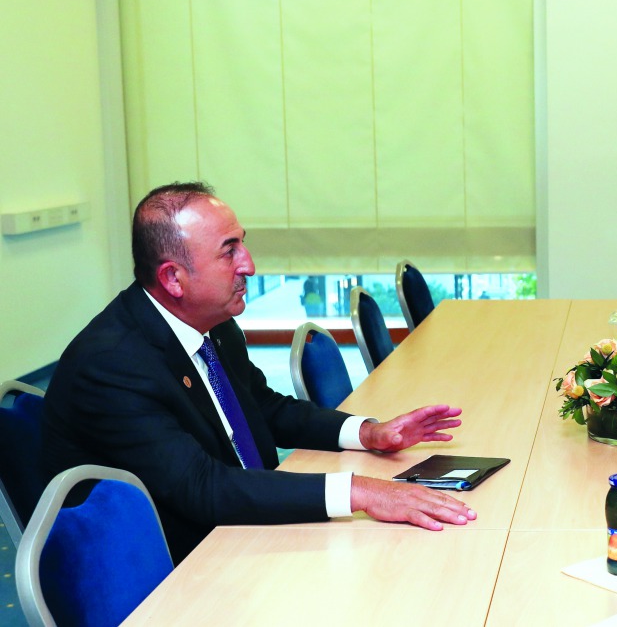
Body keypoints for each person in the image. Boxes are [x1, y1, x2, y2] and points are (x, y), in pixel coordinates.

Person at [43, 182, 476, 563]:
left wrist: (368, 434)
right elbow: (201, 487)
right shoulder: (112, 366)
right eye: (228, 251)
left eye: (242, 244)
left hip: (242, 525)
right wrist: (359, 491)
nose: (248, 264)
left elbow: (264, 408)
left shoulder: (215, 325)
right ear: (173, 278)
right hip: (176, 562)